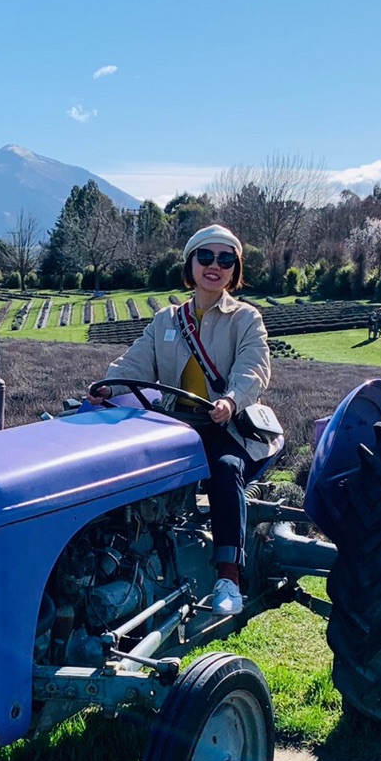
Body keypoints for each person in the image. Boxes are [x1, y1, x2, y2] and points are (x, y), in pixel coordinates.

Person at [91, 224, 271, 616]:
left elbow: (253, 371)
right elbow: (136, 362)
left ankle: (228, 577)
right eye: (205, 256)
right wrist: (107, 387)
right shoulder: (167, 321)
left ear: (234, 270)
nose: (214, 266)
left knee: (225, 470)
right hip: (176, 426)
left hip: (225, 426)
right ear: (190, 265)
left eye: (226, 260)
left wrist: (230, 400)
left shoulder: (246, 320)